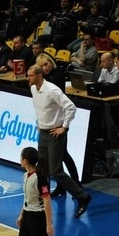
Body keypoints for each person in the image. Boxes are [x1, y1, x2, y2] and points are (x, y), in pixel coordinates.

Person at [27, 64, 91, 218]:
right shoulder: (33, 89)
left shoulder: (52, 90)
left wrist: (64, 127)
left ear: (39, 76)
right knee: (42, 169)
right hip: (43, 132)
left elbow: (71, 107)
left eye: (30, 75)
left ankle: (83, 196)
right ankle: (44, 197)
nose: (27, 78)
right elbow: (41, 109)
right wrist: (40, 123)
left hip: (55, 134)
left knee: (56, 170)